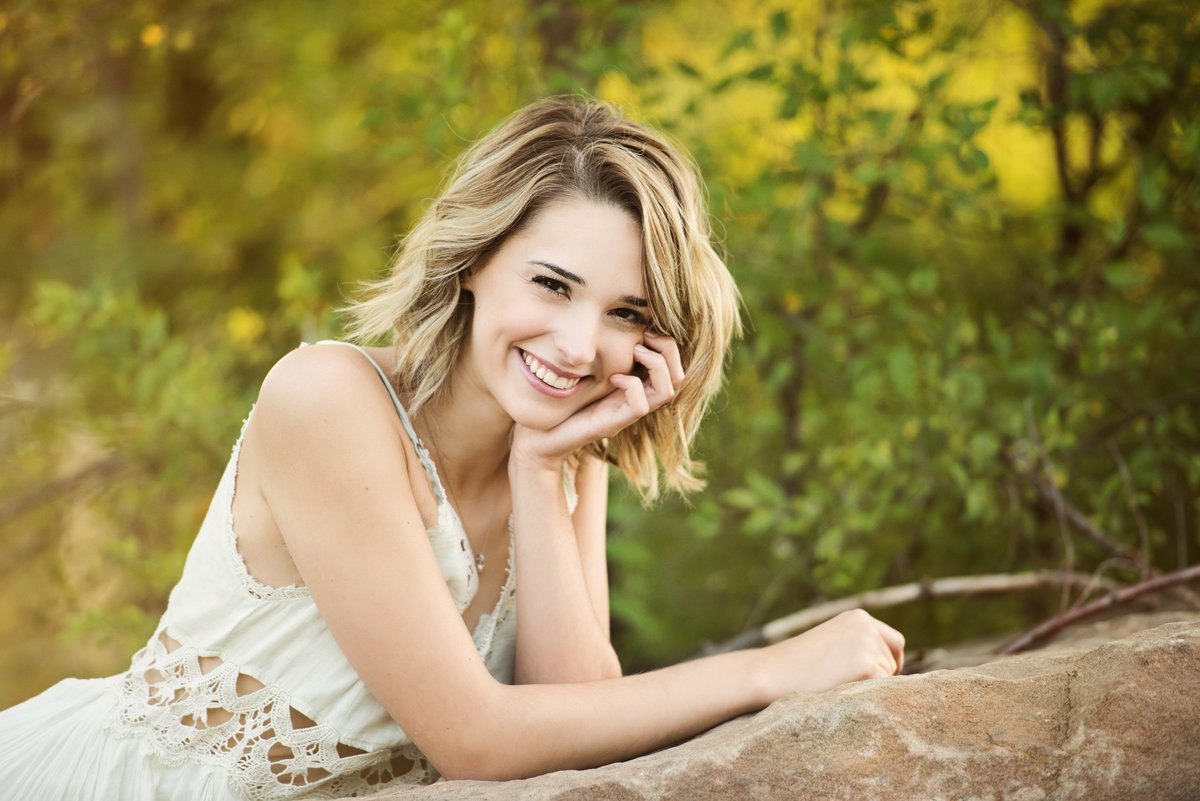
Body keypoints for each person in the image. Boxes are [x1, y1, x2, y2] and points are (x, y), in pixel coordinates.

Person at [0, 96, 904, 800]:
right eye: (552, 284)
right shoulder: (326, 398)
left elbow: (581, 719)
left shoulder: (559, 450)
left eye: (625, 313)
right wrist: (774, 670)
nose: (580, 346)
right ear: (475, 259)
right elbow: (472, 737)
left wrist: (544, 473)